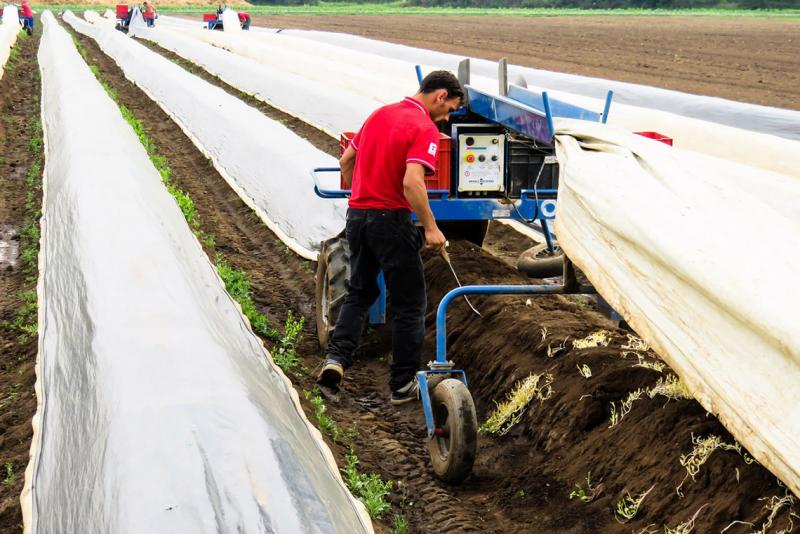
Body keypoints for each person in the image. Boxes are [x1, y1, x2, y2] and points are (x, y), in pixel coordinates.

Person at [317, 71, 463, 405]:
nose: (448, 116)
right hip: (390, 219)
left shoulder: (379, 114)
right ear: (440, 95)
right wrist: (430, 227)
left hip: (357, 216)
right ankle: (401, 385)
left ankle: (336, 360)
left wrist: (361, 197)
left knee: (361, 291)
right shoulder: (424, 127)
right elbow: (412, 183)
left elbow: (346, 160)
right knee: (410, 304)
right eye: (451, 108)